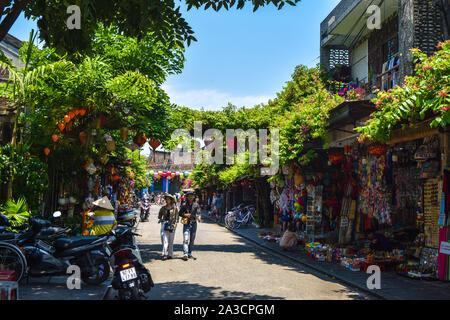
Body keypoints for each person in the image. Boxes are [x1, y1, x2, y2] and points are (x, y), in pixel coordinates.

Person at [179, 190, 202, 261]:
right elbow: (179, 213)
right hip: (186, 224)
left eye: (192, 196)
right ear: (187, 197)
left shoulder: (196, 205)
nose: (190, 197)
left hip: (194, 224)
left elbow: (198, 212)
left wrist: (199, 217)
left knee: (192, 240)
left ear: (193, 197)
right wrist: (185, 214)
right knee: (185, 239)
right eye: (189, 196)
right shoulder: (184, 205)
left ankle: (189, 252)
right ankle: (185, 253)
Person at [158, 193, 179, 260]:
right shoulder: (163, 208)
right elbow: (159, 216)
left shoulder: (175, 208)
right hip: (164, 224)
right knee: (164, 240)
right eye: (166, 199)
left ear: (171, 200)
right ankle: (164, 254)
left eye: (168, 199)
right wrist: (161, 220)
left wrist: (175, 225)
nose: (167, 200)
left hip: (172, 225)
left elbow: (177, 218)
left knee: (171, 241)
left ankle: (170, 254)